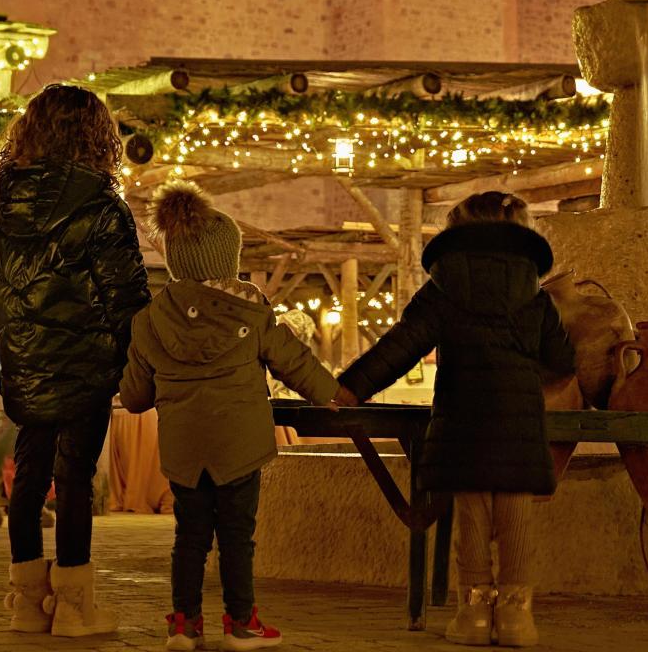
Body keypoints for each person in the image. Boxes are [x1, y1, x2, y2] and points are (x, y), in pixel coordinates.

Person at [119, 180, 351, 651]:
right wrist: (335, 395)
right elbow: (296, 362)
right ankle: (241, 624)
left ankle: (183, 624)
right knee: (237, 537)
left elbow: (136, 395)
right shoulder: (253, 309)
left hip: (184, 448)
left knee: (190, 537)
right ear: (227, 258)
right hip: (240, 445)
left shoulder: (149, 319)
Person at [339, 191, 575, 648]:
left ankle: (474, 615)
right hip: (518, 420)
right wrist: (526, 376)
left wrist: (351, 387)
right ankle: (517, 619)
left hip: (464, 416)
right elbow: (563, 360)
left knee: (472, 513)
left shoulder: (444, 287)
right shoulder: (534, 293)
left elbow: (404, 344)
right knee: (514, 514)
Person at [0, 84, 150, 637]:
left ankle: (27, 601)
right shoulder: (102, 210)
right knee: (75, 478)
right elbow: (126, 297)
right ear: (97, 138)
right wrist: (136, 364)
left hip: (24, 363)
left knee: (29, 477)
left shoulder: (3, 213)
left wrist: (10, 361)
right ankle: (75, 605)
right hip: (85, 365)